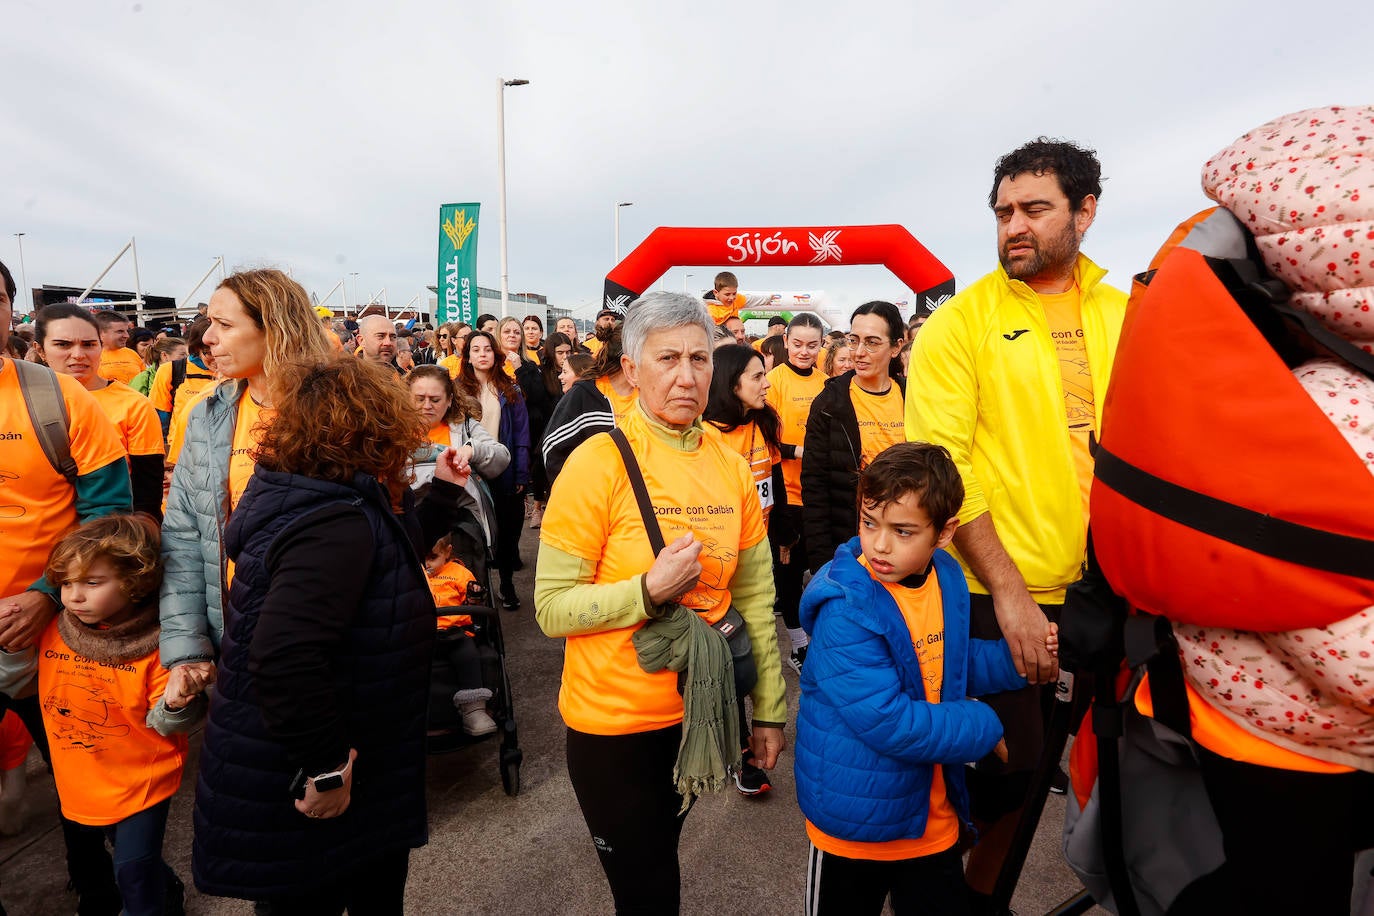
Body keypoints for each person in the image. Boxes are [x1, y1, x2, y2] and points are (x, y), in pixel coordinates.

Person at [905, 138, 1126, 908]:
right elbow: (944, 469)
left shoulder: (1127, 313)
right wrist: (1009, 592)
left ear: (1085, 211)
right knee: (1009, 785)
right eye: (1003, 212)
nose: (1013, 227)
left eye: (1035, 208)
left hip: (1115, 592)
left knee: (1125, 776)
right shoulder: (958, 324)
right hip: (993, 599)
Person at [534, 291, 787, 914]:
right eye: (668, 358)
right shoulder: (597, 463)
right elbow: (551, 607)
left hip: (700, 716)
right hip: (613, 727)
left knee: (660, 863)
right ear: (631, 367)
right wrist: (646, 592)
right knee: (648, 890)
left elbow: (756, 600)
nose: (687, 375)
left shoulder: (730, 466)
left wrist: (770, 712)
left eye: (700, 360)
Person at [192, 357, 471, 912]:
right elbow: (285, 657)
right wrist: (326, 769)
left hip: (336, 754)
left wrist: (440, 496)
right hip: (311, 768)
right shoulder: (333, 519)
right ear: (367, 429)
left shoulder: (317, 492)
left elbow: (387, 563)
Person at [796, 443, 1048, 916]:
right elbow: (889, 721)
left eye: (903, 530)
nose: (880, 545)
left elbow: (946, 661)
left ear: (945, 533)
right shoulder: (847, 609)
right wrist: (983, 725)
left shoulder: (946, 577)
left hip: (931, 820)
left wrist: (1015, 661)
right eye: (869, 523)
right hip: (854, 829)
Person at [0, 260, 132, 915]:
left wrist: (47, 596)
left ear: (10, 310)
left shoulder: (60, 400)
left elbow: (108, 516)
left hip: (46, 630)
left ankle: (97, 880)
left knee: (77, 763)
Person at [159, 269, 338, 691]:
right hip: (233, 631)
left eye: (224, 324)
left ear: (274, 329)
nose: (207, 337)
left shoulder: (338, 413)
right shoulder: (206, 415)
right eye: (208, 322)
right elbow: (184, 536)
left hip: (322, 640)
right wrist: (188, 648)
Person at [39, 515, 205, 916]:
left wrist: (177, 702)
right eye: (66, 583)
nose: (74, 596)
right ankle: (167, 892)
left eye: (92, 583)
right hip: (81, 776)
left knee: (132, 869)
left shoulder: (156, 647)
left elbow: (170, 723)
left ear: (135, 583)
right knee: (133, 859)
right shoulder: (53, 627)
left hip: (139, 780)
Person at [704, 343, 792, 798]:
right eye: (757, 376)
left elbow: (771, 479)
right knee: (731, 656)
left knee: (757, 645)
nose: (766, 383)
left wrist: (783, 536)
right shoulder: (702, 435)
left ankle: (752, 739)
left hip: (758, 549)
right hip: (717, 564)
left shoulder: (762, 420)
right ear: (730, 381)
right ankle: (738, 751)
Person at [803, 301, 908, 573]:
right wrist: (821, 564)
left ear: (896, 347)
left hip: (906, 544)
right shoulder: (829, 404)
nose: (858, 353)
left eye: (872, 342)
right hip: (849, 546)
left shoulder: (914, 397)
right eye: (854, 340)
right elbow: (815, 488)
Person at [34, 305, 166, 520]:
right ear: (40, 350)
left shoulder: (134, 404)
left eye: (89, 344)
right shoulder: (24, 402)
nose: (78, 355)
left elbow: (147, 492)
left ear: (100, 347)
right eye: (62, 344)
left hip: (108, 534)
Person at [765, 312, 827, 673]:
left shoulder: (828, 382)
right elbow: (767, 440)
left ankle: (822, 639)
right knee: (787, 576)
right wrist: (802, 451)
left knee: (820, 571)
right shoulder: (772, 382)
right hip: (785, 497)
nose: (804, 351)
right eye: (798, 344)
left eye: (812, 345)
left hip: (819, 495)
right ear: (785, 341)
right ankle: (799, 646)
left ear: (821, 345)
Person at [455, 330, 530, 610]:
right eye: (476, 349)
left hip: (504, 470)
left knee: (508, 531)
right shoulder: (457, 390)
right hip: (468, 472)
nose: (482, 354)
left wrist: (522, 473)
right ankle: (476, 588)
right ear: (468, 356)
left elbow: (522, 434)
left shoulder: (511, 389)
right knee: (473, 534)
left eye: (487, 349)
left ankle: (507, 584)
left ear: (495, 354)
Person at [541, 326, 636, 484]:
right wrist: (580, 496)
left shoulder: (652, 395)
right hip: (594, 502)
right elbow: (552, 450)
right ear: (629, 360)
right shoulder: (585, 395)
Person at [424, 534, 496, 736]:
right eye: (422, 558)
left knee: (468, 656)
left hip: (455, 633)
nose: (426, 563)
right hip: (423, 632)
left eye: (432, 557)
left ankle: (474, 710)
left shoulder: (459, 573)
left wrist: (475, 598)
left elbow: (474, 607)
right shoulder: (416, 572)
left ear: (447, 552)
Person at [95, 312, 142, 386]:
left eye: (127, 331)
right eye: (120, 331)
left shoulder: (132, 354)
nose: (127, 336)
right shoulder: (90, 357)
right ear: (101, 333)